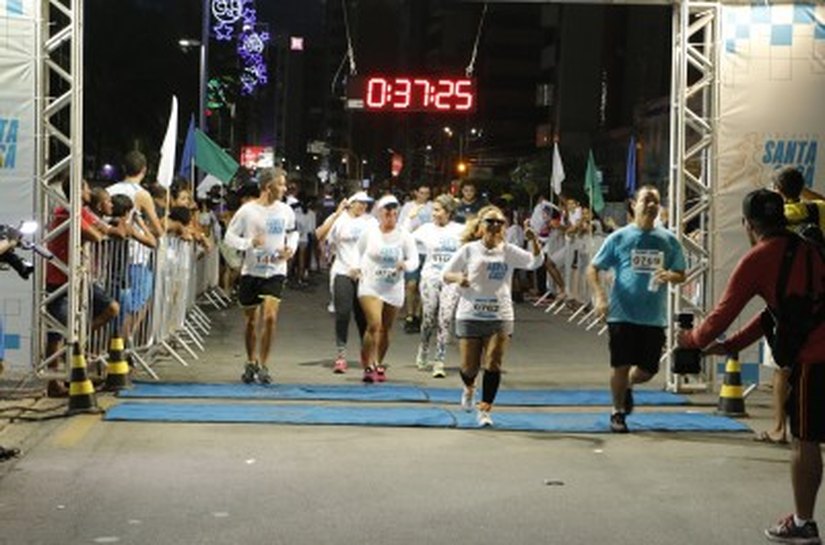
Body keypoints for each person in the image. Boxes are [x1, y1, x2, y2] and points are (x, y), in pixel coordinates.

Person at [678, 189, 825, 545]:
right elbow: (771, 317)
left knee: (805, 442)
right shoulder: (808, 247)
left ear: (748, 225)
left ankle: (804, 523)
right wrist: (729, 348)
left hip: (815, 360)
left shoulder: (759, 258)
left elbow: (720, 316)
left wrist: (692, 341)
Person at [586, 185, 686, 433]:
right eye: (646, 200)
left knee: (648, 370)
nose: (651, 205)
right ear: (634, 204)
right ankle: (617, 412)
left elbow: (681, 273)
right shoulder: (619, 237)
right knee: (620, 364)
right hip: (621, 313)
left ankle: (628, 384)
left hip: (653, 316)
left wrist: (669, 275)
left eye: (656, 201)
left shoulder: (668, 240)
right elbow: (593, 268)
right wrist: (600, 297)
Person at [442, 205, 543, 426]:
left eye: (500, 222)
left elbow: (535, 262)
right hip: (470, 314)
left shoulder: (508, 251)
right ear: (480, 225)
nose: (495, 226)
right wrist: (460, 278)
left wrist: (533, 239)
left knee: (494, 363)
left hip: (500, 314)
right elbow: (446, 274)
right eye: (490, 221)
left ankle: (485, 410)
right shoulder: (469, 250)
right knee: (469, 367)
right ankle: (469, 387)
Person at [223, 167, 298, 384]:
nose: (285, 188)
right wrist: (249, 243)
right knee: (251, 322)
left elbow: (293, 232)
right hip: (251, 272)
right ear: (268, 186)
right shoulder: (247, 211)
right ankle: (251, 361)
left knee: (270, 317)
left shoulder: (286, 210)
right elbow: (229, 237)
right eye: (281, 184)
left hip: (275, 271)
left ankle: (264, 365)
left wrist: (290, 249)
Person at [353, 194, 419, 383]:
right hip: (370, 284)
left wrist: (405, 265)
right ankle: (367, 365)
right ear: (380, 213)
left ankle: (378, 362)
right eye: (386, 212)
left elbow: (413, 259)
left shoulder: (404, 235)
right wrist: (356, 268)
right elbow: (357, 251)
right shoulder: (370, 232)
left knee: (386, 328)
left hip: (392, 286)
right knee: (374, 324)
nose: (390, 215)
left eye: (393, 212)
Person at [315, 191, 377, 374]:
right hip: (342, 270)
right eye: (360, 203)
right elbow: (319, 234)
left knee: (363, 318)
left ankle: (367, 356)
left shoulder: (371, 222)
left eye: (366, 204)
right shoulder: (340, 219)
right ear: (351, 203)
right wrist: (336, 213)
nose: (363, 207)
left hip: (365, 274)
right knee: (343, 314)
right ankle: (341, 354)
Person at [411, 194, 463, 378]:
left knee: (446, 319)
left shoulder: (460, 230)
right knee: (429, 317)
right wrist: (411, 217)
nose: (434, 213)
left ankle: (439, 360)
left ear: (448, 212)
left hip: (451, 280)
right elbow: (404, 239)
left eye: (437, 210)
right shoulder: (426, 229)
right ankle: (424, 348)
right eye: (433, 209)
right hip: (430, 277)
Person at [399, 183, 433, 334]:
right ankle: (409, 315)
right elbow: (401, 226)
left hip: (428, 251)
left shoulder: (433, 207)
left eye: (426, 193)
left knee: (422, 286)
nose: (424, 196)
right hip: (413, 251)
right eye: (421, 193)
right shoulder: (408, 207)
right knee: (411, 284)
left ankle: (419, 315)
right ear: (416, 193)